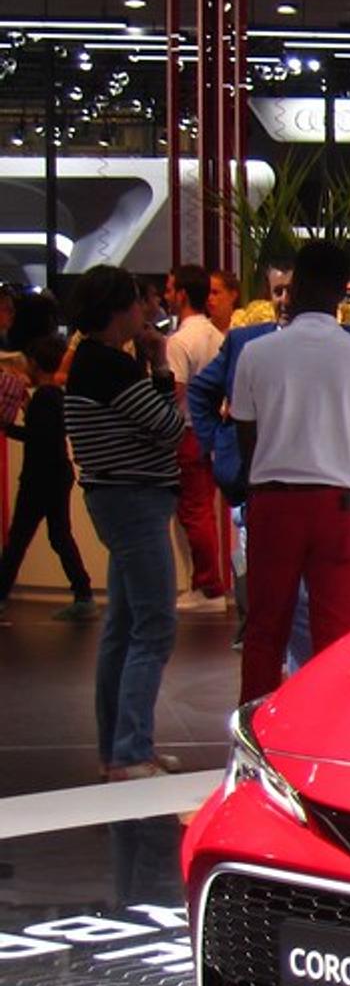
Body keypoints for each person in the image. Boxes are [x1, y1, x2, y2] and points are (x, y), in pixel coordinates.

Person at [230, 240, 350, 703]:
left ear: (295, 285)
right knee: (334, 630)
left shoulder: (257, 354)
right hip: (337, 505)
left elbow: (247, 437)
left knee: (265, 629)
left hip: (274, 502)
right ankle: (326, 727)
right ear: (344, 290)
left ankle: (259, 727)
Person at [64, 266, 185, 780]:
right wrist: (160, 369)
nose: (147, 311)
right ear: (120, 309)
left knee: (123, 627)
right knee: (154, 624)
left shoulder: (89, 362)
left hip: (115, 497)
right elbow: (169, 427)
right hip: (135, 500)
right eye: (140, 302)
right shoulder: (112, 368)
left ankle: (119, 746)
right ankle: (131, 751)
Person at [0, 336, 96, 621]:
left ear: (37, 364)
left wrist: (7, 427)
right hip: (58, 474)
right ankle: (83, 592)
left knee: (18, 539)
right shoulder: (55, 396)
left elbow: (37, 438)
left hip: (38, 478)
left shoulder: (44, 397)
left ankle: (1, 594)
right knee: (60, 535)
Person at [161, 262, 229, 612]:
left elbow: (173, 393)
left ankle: (208, 586)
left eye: (171, 289)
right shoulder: (218, 337)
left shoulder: (179, 341)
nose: (166, 295)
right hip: (214, 431)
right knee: (203, 511)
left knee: (194, 511)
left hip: (187, 432)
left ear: (183, 294)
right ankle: (206, 584)